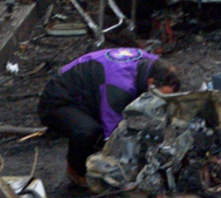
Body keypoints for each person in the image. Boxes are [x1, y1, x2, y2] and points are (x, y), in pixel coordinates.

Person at [38, 48, 181, 187]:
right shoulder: (119, 88)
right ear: (151, 82)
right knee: (89, 131)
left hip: (88, 91)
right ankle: (76, 172)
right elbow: (113, 134)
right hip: (58, 101)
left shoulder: (153, 62)